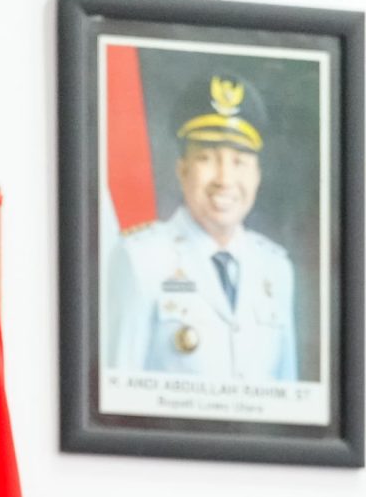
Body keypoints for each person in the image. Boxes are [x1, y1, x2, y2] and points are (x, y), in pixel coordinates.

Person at [102, 73, 300, 384]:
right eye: (207, 159)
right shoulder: (141, 260)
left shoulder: (275, 269)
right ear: (182, 170)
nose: (224, 179)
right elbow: (117, 390)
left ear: (257, 175)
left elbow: (289, 396)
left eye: (239, 162)